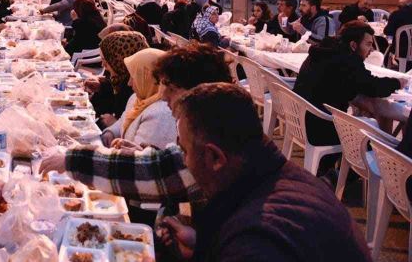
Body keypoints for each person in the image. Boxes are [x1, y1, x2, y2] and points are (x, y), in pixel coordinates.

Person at [157, 83, 371, 262]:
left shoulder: (256, 238)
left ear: (215, 158)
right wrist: (202, 249)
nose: (184, 161)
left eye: (184, 150)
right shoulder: (280, 177)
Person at [39, 42, 232, 204]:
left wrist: (72, 160)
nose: (164, 96)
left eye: (171, 89)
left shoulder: (208, 141)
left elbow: (156, 172)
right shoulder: (214, 124)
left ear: (198, 93)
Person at [293, 21, 401, 147]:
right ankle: (382, 159)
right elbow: (373, 86)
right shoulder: (347, 59)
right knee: (374, 126)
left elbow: (350, 84)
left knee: (367, 106)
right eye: (368, 44)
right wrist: (398, 82)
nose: (371, 50)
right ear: (353, 45)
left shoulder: (325, 50)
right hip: (321, 129)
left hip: (299, 119)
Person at [100, 48, 175, 149]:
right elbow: (124, 120)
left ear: (148, 78)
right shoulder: (138, 98)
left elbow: (139, 159)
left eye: (133, 77)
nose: (129, 83)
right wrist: (111, 132)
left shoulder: (161, 114)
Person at [85, 31, 148, 129]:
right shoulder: (121, 79)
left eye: (105, 61)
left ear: (119, 59)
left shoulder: (138, 87)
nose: (103, 65)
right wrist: (101, 87)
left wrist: (116, 124)